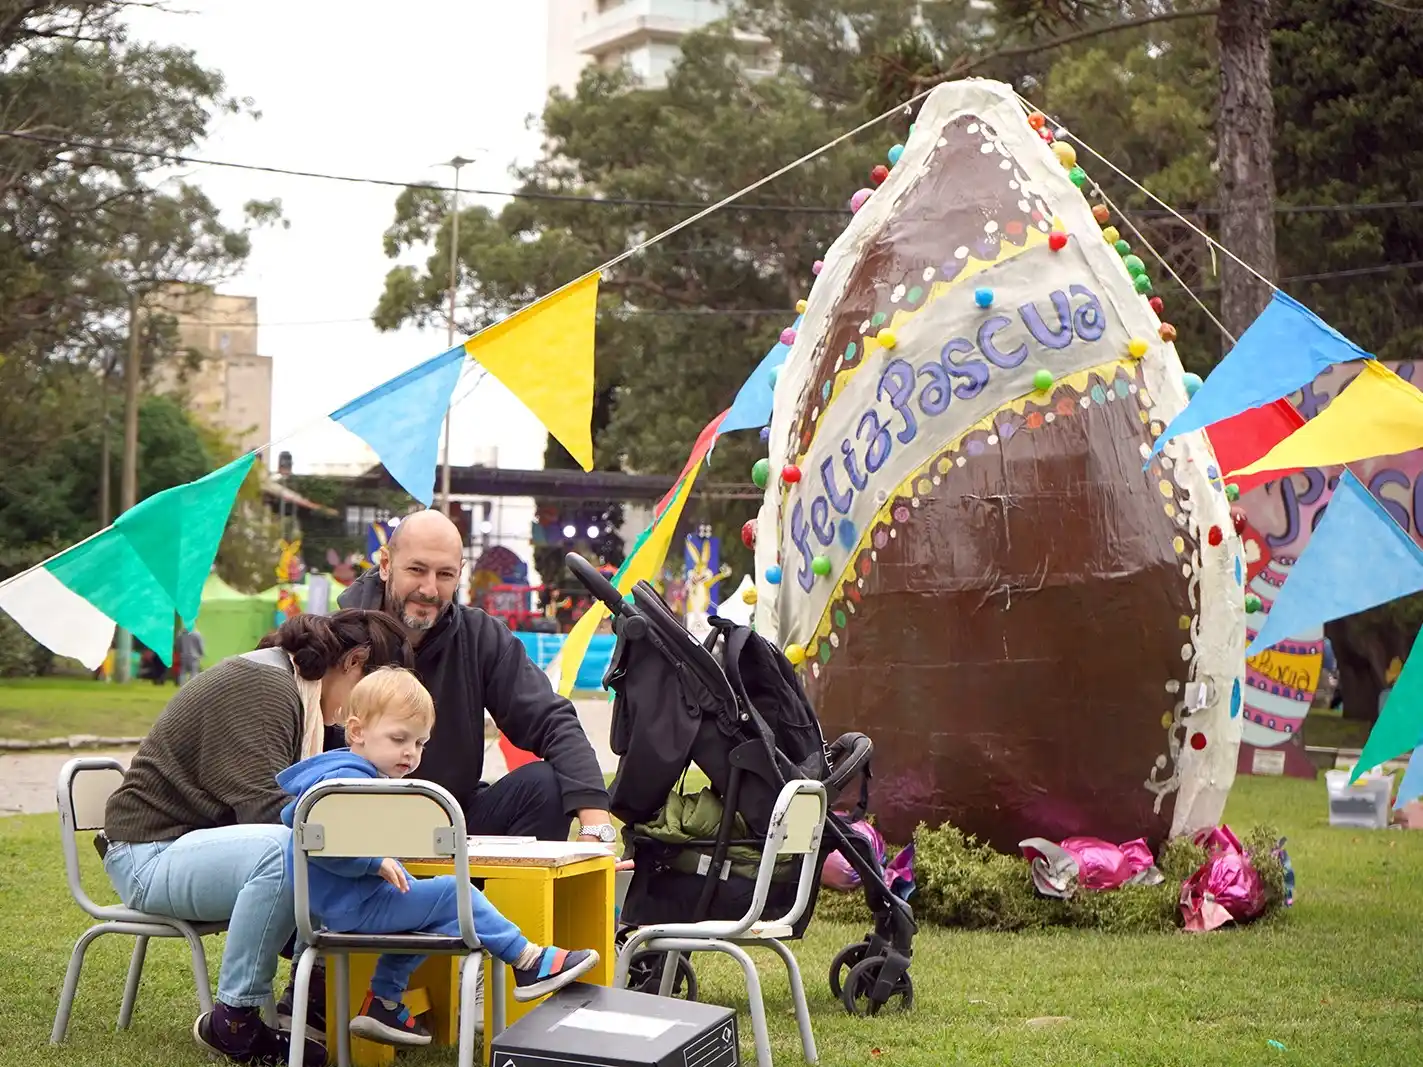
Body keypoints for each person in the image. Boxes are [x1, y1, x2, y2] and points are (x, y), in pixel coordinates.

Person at [99, 610, 414, 1066]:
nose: (364, 713)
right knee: (287, 849)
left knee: (311, 848)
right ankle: (236, 1019)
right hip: (148, 854)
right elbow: (267, 809)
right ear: (353, 662)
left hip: (188, 847)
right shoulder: (265, 686)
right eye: (372, 693)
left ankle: (318, 998)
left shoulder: (291, 687)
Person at [278, 667, 598, 1047]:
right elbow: (311, 835)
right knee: (451, 894)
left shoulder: (345, 777)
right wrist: (370, 861)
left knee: (432, 910)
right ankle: (528, 961)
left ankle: (382, 1001)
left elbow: (300, 821)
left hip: (341, 905)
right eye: (399, 739)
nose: (410, 753)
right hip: (349, 907)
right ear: (357, 732)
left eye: (419, 743)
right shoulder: (348, 782)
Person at [336, 509, 613, 842]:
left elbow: (551, 719)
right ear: (385, 564)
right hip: (357, 828)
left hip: (452, 823)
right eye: (416, 569)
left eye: (445, 575)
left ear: (460, 575)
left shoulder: (481, 637)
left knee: (545, 784)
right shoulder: (340, 638)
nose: (429, 589)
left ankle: (510, 895)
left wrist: (596, 824)